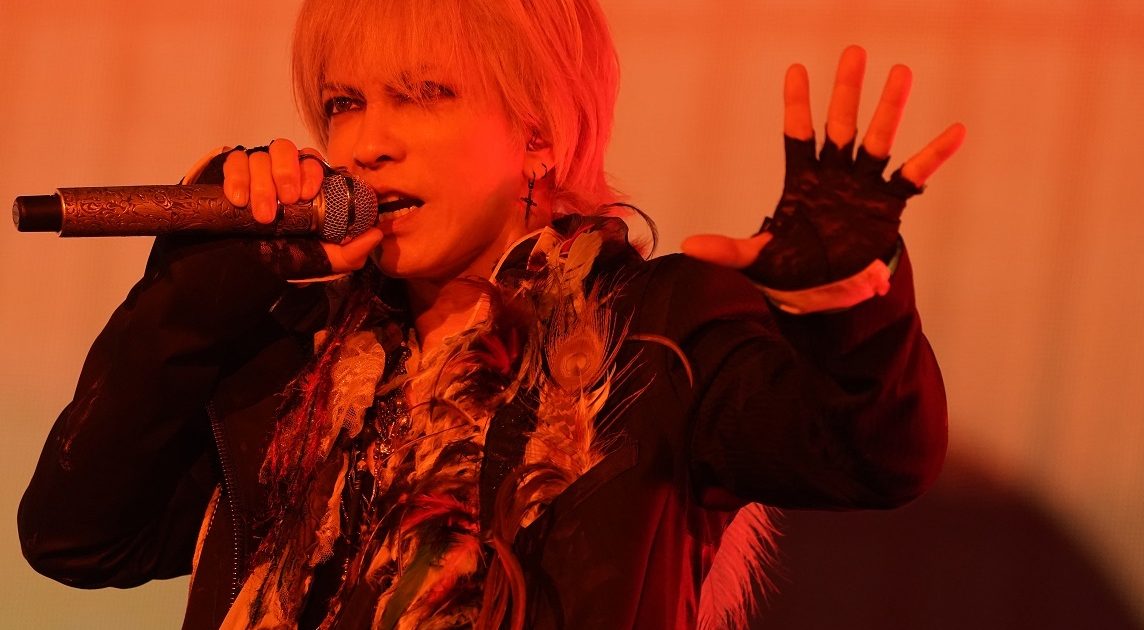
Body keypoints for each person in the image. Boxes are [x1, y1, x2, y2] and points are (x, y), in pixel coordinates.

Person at [18, 0, 963, 628]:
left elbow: (872, 455)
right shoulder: (291, 357)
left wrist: (845, 306)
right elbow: (79, 537)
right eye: (344, 103)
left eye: (422, 95)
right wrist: (200, 286)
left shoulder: (655, 331)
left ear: (539, 132)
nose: (367, 143)